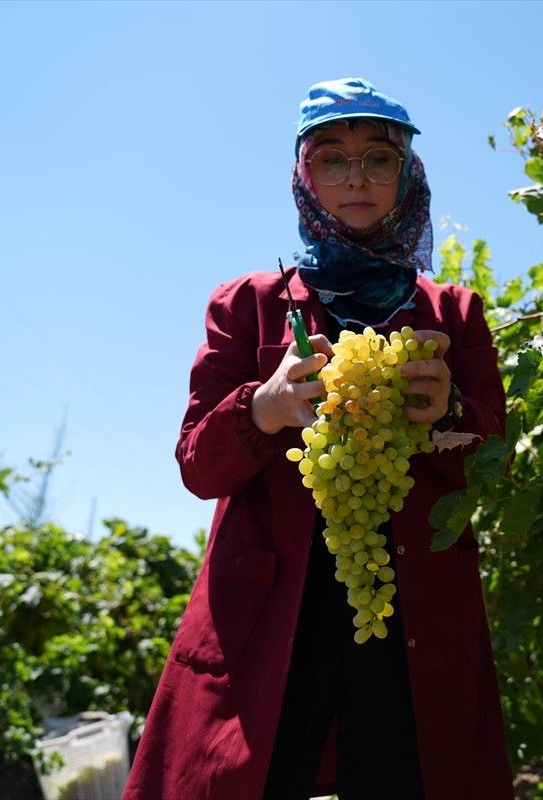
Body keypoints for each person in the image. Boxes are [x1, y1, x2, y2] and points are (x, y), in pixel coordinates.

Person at [123, 77, 514, 800]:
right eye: (331, 159)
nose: (356, 178)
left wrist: (452, 416)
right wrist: (264, 408)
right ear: (303, 176)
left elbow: (497, 466)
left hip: (409, 618)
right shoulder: (246, 306)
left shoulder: (454, 314)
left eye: (378, 158)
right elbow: (196, 466)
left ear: (408, 173)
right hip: (273, 618)